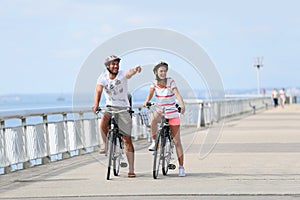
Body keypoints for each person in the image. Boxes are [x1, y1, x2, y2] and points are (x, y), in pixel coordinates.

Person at [92, 55, 142, 178]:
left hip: (123, 108)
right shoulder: (103, 77)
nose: (115, 66)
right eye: (113, 64)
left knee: (127, 140)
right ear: (107, 66)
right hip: (110, 107)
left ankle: (131, 169)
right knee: (104, 119)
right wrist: (96, 104)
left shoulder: (122, 75)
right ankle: (105, 144)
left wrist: (135, 70)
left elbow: (129, 73)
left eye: (117, 64)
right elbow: (98, 90)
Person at [143, 61, 186, 177]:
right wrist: (146, 101)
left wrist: (182, 105)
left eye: (164, 71)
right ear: (156, 72)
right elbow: (150, 94)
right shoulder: (154, 83)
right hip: (160, 111)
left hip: (172, 113)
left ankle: (181, 167)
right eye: (161, 71)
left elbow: (177, 94)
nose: (163, 73)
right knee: (153, 121)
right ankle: (154, 141)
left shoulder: (171, 81)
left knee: (177, 142)